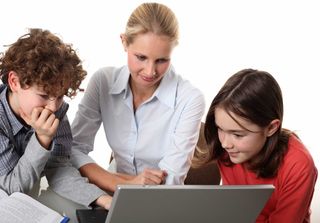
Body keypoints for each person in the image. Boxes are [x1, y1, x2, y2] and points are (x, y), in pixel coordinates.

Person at [71, 2, 205, 192]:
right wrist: (125, 182)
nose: (150, 72)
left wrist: (107, 177)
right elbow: (74, 149)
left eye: (161, 60)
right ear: (124, 42)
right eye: (141, 57)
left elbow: (170, 181)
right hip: (111, 189)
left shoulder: (190, 99)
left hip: (159, 201)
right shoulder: (103, 82)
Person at [0, 28, 112, 209]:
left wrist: (101, 199)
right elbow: (13, 188)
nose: (53, 107)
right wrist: (42, 139)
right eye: (43, 95)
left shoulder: (54, 110)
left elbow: (58, 168)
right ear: (14, 82)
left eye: (59, 96)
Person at [199, 68, 317, 222]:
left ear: (270, 128)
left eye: (238, 135)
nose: (226, 144)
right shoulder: (226, 148)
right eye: (220, 129)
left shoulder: (299, 165)